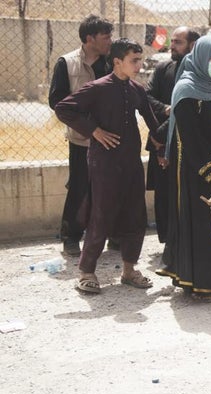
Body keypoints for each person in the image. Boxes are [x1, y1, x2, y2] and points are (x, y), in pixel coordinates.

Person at [55, 38, 163, 294]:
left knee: (135, 214)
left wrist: (163, 147)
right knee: (101, 214)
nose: (139, 65)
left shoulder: (136, 90)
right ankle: (87, 272)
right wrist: (94, 131)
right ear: (117, 62)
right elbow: (64, 108)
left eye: (140, 60)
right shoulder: (97, 88)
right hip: (104, 162)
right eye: (133, 60)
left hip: (131, 162)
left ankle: (129, 269)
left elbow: (153, 123)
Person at [158, 35, 211, 302]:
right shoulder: (186, 89)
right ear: (202, 58)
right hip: (193, 169)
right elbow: (190, 138)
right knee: (201, 223)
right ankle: (200, 283)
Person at [49, 14, 113, 257]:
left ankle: (113, 236)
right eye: (105, 36)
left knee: (110, 188)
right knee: (79, 187)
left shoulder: (111, 62)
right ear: (89, 38)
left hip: (111, 138)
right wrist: (88, 126)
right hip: (82, 139)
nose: (109, 41)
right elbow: (56, 101)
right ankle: (71, 236)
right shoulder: (66, 63)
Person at [145, 26, 200, 243]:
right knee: (164, 193)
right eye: (172, 41)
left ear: (192, 45)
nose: (172, 46)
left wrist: (176, 115)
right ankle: (168, 241)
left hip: (185, 142)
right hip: (162, 138)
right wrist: (167, 109)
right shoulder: (163, 68)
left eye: (178, 42)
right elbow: (147, 97)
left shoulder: (198, 73)